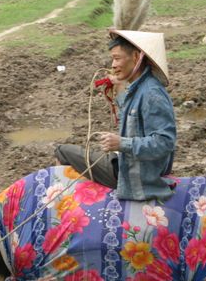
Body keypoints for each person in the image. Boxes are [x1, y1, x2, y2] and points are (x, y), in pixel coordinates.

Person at [56, 29, 177, 201]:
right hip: (131, 163)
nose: (112, 65)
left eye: (117, 58)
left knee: (62, 151)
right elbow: (133, 120)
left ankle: (64, 206)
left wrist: (122, 143)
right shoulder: (141, 87)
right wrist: (119, 87)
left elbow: (165, 142)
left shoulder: (152, 94)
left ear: (136, 57)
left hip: (135, 175)